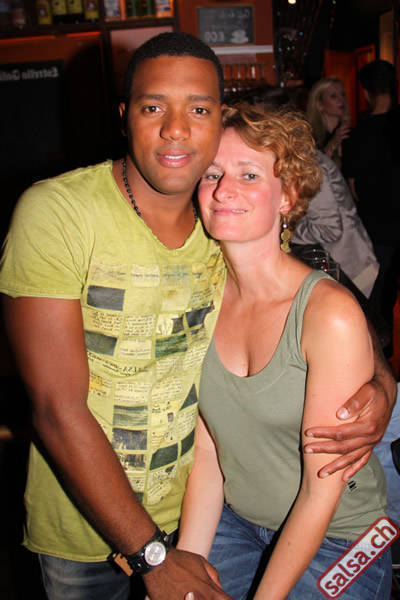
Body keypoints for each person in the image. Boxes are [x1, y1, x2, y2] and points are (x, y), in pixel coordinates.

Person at [0, 33, 396, 600]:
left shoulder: (230, 241)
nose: (176, 130)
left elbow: (327, 313)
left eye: (199, 110)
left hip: (249, 523)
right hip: (106, 528)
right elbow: (60, 409)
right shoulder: (75, 217)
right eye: (153, 107)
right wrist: (163, 557)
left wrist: (380, 382)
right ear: (124, 116)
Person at [177, 104, 392, 599]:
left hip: (338, 535)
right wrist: (186, 565)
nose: (223, 190)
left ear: (288, 196)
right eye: (212, 174)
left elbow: (321, 491)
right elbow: (209, 452)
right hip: (236, 523)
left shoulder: (328, 314)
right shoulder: (200, 298)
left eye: (249, 174)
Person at [343, 59, 400, 348]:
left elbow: (352, 187)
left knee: (378, 299)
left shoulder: (358, 134)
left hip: (376, 229)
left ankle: (382, 354)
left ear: (365, 92)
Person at [307, 77, 351, 169]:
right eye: (333, 96)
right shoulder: (311, 137)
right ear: (319, 104)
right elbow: (312, 170)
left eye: (343, 94)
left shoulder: (349, 132)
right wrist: (332, 145)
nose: (341, 100)